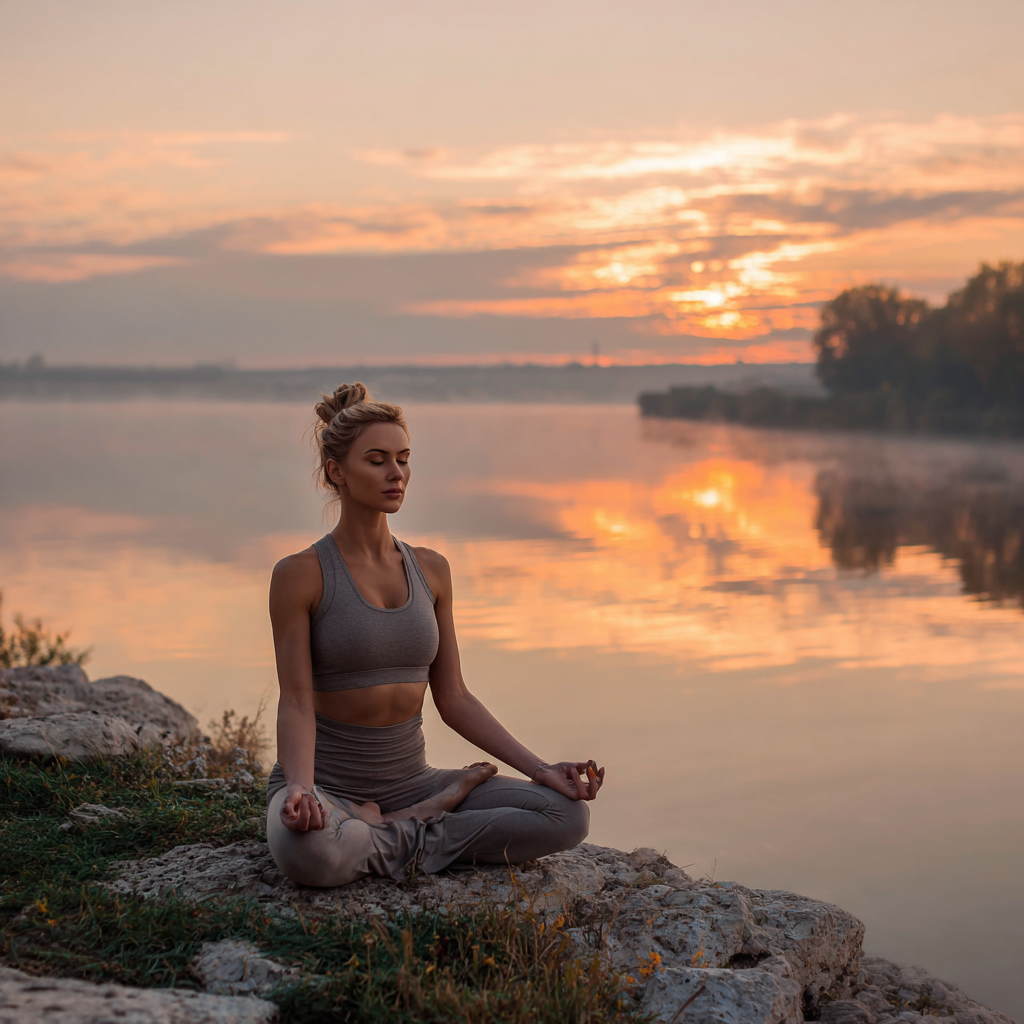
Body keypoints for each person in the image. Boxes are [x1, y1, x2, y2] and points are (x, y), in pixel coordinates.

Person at [265, 383, 604, 886]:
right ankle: (425, 819)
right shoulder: (301, 574)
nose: (396, 473)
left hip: (411, 778)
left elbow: (455, 697)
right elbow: (294, 702)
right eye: (377, 460)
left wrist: (541, 771)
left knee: (566, 816)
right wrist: (299, 788)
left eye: (403, 459)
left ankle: (394, 825)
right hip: (328, 786)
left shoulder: (432, 569)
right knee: (310, 853)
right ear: (337, 472)